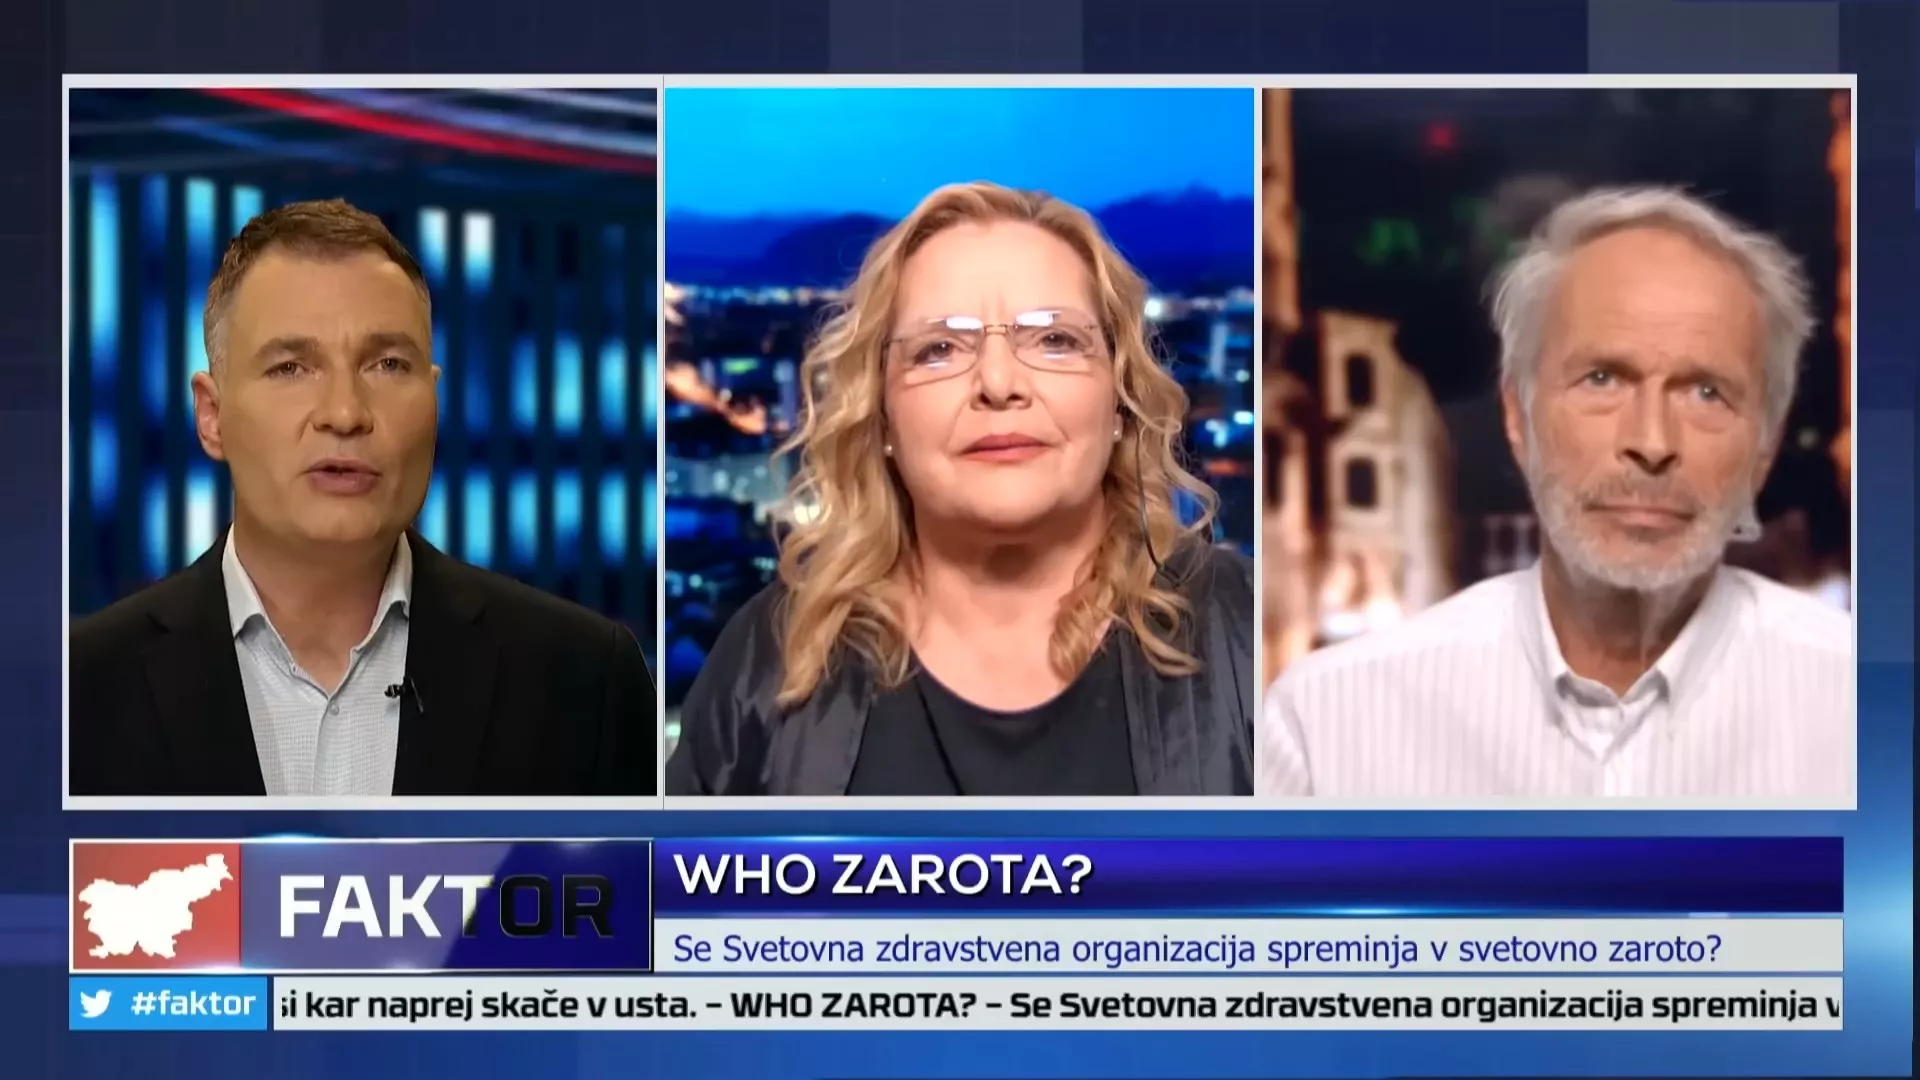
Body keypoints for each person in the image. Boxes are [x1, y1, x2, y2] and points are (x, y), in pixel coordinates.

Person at [1259, 186, 1852, 800]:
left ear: (1765, 444)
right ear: (1518, 418)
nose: (1651, 442)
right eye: (1602, 379)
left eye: (1706, 393)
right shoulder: (1327, 727)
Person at [668, 182, 1255, 797]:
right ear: (881, 414)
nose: (998, 382)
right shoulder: (770, 658)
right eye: (940, 349)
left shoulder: (1244, 629)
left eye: (1054, 339)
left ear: (1120, 401)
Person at [69, 199, 656, 797]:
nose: (345, 413)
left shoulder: (586, 684)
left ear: (434, 400)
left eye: (388, 364)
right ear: (212, 416)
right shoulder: (74, 693)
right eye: (291, 368)